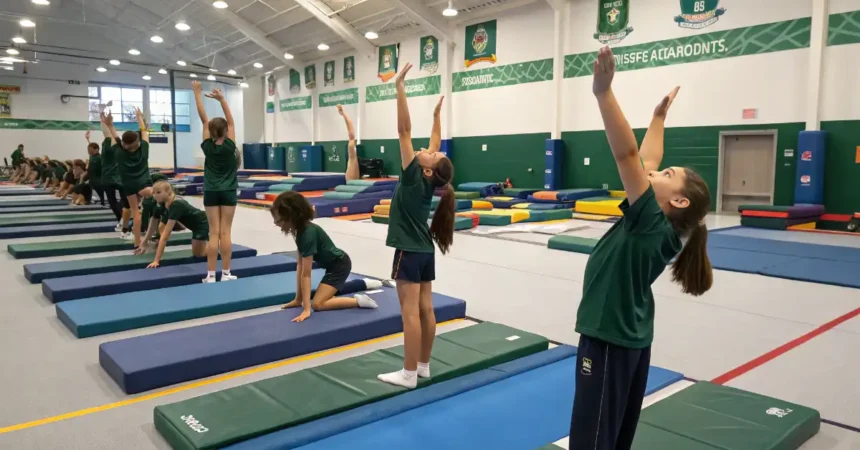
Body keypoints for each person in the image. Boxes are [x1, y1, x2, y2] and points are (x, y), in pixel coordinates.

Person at [568, 47, 713, 450]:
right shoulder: (660, 223)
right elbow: (648, 156)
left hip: (610, 338)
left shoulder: (650, 220)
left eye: (667, 175)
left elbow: (629, 154)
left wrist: (603, 92)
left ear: (678, 201)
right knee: (613, 434)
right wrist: (658, 118)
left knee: (592, 438)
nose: (654, 172)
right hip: (629, 338)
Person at [377, 62, 456, 389]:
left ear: (426, 170)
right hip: (424, 250)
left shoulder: (412, 176)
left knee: (410, 312)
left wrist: (399, 88)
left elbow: (404, 130)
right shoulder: (428, 179)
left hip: (408, 251)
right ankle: (423, 365)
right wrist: (437, 117)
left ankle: (408, 374)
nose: (428, 149)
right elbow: (434, 143)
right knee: (426, 309)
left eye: (431, 154)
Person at [271, 191, 379, 322]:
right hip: (332, 265)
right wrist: (298, 299)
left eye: (278, 219)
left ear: (292, 217)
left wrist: (306, 309)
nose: (276, 223)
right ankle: (363, 283)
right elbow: (299, 265)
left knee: (318, 304)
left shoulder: (307, 234)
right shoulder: (298, 230)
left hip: (339, 265)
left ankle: (359, 301)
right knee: (318, 293)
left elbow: (306, 275)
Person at [192, 81, 240, 283]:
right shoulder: (230, 144)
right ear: (226, 132)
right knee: (225, 232)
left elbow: (204, 120)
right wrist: (222, 100)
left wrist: (197, 93)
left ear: (210, 133)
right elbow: (231, 122)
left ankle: (211, 275)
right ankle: (227, 273)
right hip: (228, 191)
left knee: (213, 233)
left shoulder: (206, 146)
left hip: (211, 190)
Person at [136, 180, 208, 268]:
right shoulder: (160, 202)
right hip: (189, 221)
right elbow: (153, 221)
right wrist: (144, 241)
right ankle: (157, 244)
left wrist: (156, 260)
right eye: (154, 192)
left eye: (158, 192)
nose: (155, 195)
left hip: (201, 224)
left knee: (199, 255)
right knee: (161, 226)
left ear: (168, 192)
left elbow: (165, 236)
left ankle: (216, 248)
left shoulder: (176, 205)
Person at [109, 107, 153, 246]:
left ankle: (137, 243)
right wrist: (139, 116)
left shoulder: (120, 153)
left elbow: (114, 136)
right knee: (158, 199)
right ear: (137, 142)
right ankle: (156, 228)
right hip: (144, 183)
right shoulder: (144, 149)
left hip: (129, 186)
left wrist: (109, 124)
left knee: (136, 212)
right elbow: (144, 131)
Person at [98, 112, 128, 233]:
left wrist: (104, 122)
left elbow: (106, 133)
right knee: (125, 202)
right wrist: (109, 123)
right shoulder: (117, 147)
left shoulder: (106, 147)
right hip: (118, 177)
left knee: (113, 202)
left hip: (108, 178)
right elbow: (108, 133)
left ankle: (121, 220)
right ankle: (123, 221)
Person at [336, 104, 360, 181]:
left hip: (352, 173)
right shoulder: (351, 147)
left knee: (351, 138)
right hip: (352, 173)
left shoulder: (351, 146)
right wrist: (343, 114)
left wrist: (343, 114)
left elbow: (351, 130)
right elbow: (351, 131)